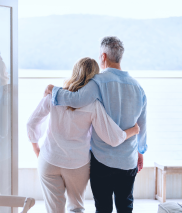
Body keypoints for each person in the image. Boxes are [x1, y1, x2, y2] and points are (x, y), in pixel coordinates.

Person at [44, 36, 147, 213]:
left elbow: (76, 100)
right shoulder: (138, 88)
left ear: (103, 57)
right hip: (128, 160)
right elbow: (142, 125)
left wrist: (53, 90)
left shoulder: (98, 81)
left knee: (103, 207)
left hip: (102, 160)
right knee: (125, 206)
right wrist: (140, 151)